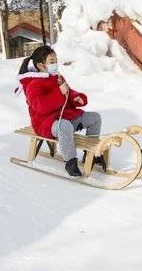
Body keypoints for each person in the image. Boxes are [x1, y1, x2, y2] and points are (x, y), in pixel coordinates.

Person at [16, 45, 102, 177]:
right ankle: (70, 162)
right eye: (51, 61)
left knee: (94, 118)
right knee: (64, 126)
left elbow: (69, 91)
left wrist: (76, 97)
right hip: (45, 122)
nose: (55, 64)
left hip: (65, 116)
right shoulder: (34, 83)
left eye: (55, 61)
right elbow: (40, 106)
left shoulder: (57, 77)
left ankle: (90, 153)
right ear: (41, 65)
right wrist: (59, 94)